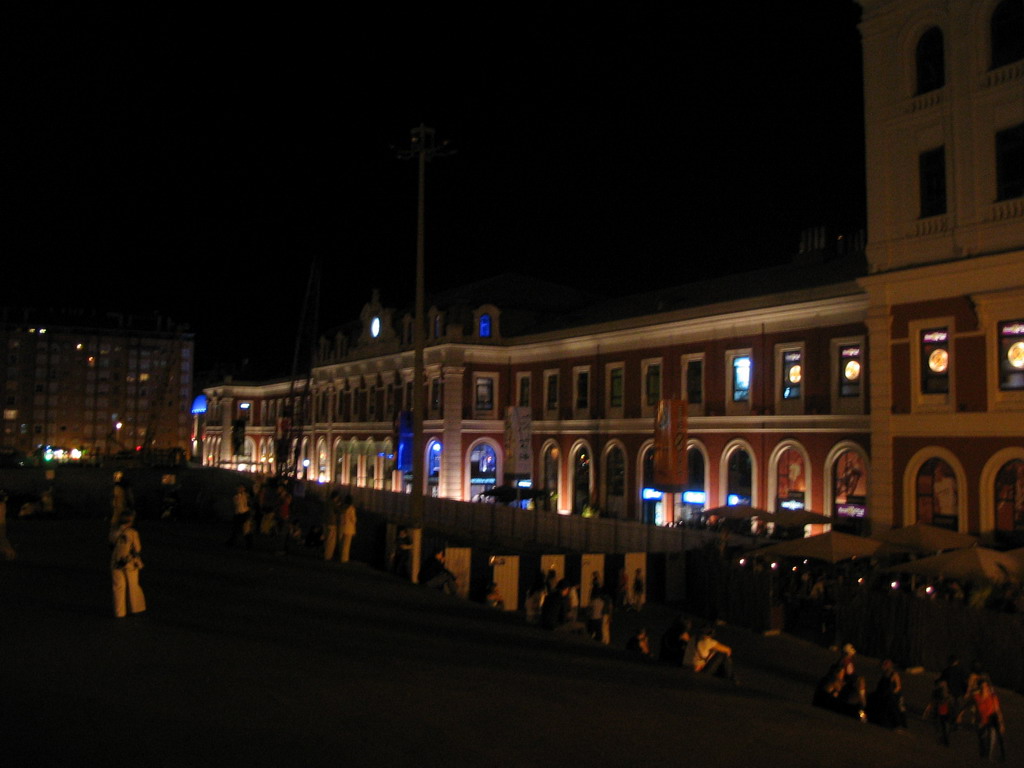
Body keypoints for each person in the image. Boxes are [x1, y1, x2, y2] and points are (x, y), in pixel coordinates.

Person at [110, 510, 146, 618]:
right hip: (130, 562)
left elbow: (110, 544)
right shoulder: (133, 533)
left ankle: (119, 612)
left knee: (118, 587)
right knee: (133, 585)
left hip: (116, 561)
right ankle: (135, 608)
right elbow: (137, 548)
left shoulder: (113, 532)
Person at [972, 679, 1006, 761]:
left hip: (993, 719)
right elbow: (972, 705)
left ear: (988, 687)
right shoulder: (976, 697)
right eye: (982, 686)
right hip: (983, 721)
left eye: (985, 686)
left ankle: (993, 756)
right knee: (982, 738)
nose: (984, 688)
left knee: (993, 738)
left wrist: (1001, 723)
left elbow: (998, 710)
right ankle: (984, 754)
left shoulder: (993, 697)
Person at [867, 659, 907, 729]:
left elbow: (898, 687)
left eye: (885, 664)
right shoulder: (884, 674)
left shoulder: (894, 674)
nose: (883, 666)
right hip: (882, 693)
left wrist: (892, 693)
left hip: (891, 695)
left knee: (892, 706)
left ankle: (897, 724)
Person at [226, 484, 253, 549]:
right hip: (239, 514)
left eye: (241, 488)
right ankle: (232, 542)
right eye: (239, 488)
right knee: (236, 528)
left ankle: (248, 544)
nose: (240, 489)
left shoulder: (245, 495)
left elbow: (248, 503)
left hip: (244, 513)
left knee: (245, 529)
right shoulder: (236, 496)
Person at [323, 489, 344, 561]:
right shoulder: (333, 504)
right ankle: (328, 556)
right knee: (331, 541)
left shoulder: (327, 503)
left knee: (327, 540)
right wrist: (339, 505)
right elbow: (339, 511)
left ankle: (326, 554)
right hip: (332, 523)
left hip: (326, 522)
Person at [340, 494, 357, 562]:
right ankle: (344, 558)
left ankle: (341, 557)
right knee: (346, 545)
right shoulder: (351, 509)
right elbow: (353, 519)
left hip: (342, 527)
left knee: (342, 544)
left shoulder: (342, 508)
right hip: (349, 528)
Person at [0, 490, 16, 560]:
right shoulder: (3, 505)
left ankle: (9, 553)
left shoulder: (2, 505)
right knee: (2, 537)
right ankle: (9, 553)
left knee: (2, 537)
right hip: (2, 523)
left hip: (1, 524)